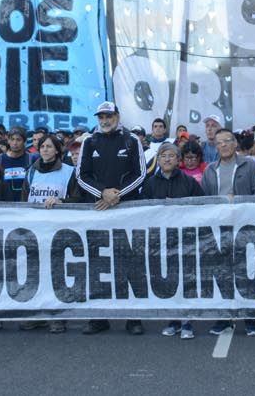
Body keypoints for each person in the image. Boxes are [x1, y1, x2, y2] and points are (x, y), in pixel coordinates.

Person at [75, 101, 147, 335]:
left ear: (117, 115)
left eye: (109, 116)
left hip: (126, 210)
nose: (105, 121)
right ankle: (99, 316)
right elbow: (81, 175)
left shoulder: (131, 140)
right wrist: (102, 193)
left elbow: (140, 174)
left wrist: (117, 195)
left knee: (128, 263)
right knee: (97, 263)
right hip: (98, 210)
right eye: (101, 117)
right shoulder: (89, 141)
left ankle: (132, 317)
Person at [202, 128, 255, 336]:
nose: (224, 145)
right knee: (222, 273)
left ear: (235, 143)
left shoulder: (250, 165)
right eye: (219, 142)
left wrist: (238, 202)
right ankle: (224, 318)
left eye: (228, 141)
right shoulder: (210, 170)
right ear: (215, 146)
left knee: (246, 272)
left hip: (245, 227)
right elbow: (203, 200)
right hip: (219, 228)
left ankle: (250, 318)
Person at [138, 142, 205, 340]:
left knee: (185, 280)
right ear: (158, 160)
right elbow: (143, 210)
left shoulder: (189, 181)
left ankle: (187, 322)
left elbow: (201, 206)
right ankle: (172, 320)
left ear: (178, 160)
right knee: (168, 280)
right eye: (163, 156)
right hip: (160, 239)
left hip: (184, 239)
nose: (167, 159)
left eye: (171, 156)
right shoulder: (149, 183)